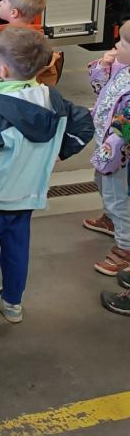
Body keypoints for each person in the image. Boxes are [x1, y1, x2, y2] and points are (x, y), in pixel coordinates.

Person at [0, 29, 93, 331]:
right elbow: (85, 125)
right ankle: (12, 303)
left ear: (3, 69)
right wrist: (60, 152)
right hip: (28, 195)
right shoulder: (54, 99)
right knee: (17, 250)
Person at [83, 20, 130, 274]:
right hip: (106, 148)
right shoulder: (122, 70)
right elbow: (100, 89)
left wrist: (110, 151)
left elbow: (125, 129)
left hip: (119, 155)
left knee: (117, 197)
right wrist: (103, 66)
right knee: (101, 183)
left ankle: (125, 249)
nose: (116, 45)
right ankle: (112, 221)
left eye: (123, 43)